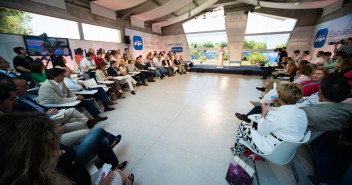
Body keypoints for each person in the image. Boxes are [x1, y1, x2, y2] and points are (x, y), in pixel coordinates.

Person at [0, 112, 134, 185]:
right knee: (119, 175)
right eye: (49, 141)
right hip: (76, 169)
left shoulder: (35, 169)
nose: (55, 143)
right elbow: (70, 154)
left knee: (102, 140)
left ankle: (112, 157)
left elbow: (68, 152)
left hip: (75, 168)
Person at [302, 74, 352, 185]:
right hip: (339, 141)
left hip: (318, 138)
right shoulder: (349, 108)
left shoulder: (309, 112)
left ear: (320, 91)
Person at [232, 82, 308, 156]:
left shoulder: (276, 115)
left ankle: (237, 152)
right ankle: (242, 147)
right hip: (288, 150)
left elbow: (261, 131)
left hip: (272, 149)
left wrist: (263, 113)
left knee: (242, 124)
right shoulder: (302, 112)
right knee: (258, 125)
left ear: (280, 98)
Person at [37, 68, 109, 119]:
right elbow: (58, 101)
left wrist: (77, 98)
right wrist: (75, 98)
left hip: (64, 100)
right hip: (52, 105)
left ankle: (96, 117)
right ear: (54, 76)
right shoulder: (47, 86)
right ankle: (87, 121)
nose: (64, 76)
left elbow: (68, 91)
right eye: (62, 75)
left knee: (87, 102)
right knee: (76, 107)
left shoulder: (61, 81)